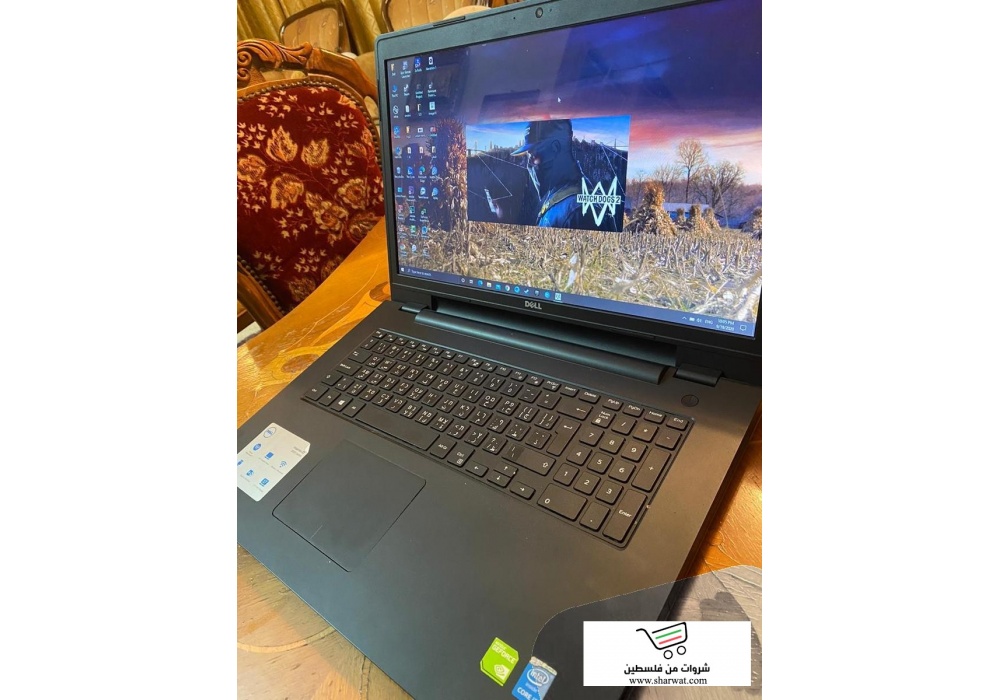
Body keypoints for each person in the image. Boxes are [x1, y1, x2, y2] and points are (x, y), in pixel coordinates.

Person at [508, 119, 619, 231]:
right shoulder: (560, 195)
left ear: (555, 148)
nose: (530, 164)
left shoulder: (578, 211)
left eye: (533, 156)